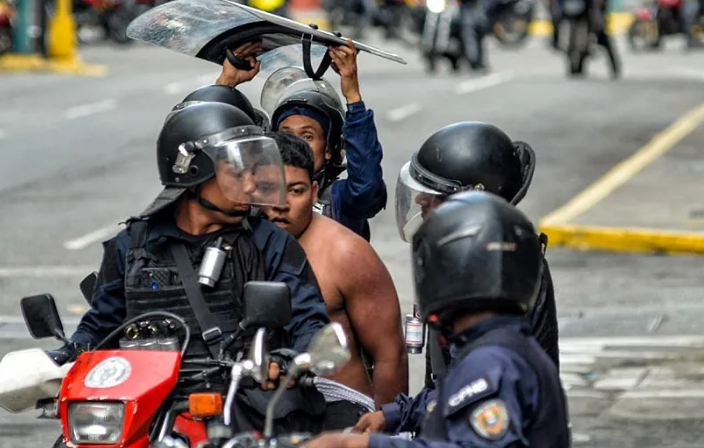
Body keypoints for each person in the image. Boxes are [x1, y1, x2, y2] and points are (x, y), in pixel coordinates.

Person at [48, 101, 331, 433]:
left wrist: (284, 361)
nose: (252, 185)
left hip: (241, 404)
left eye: (254, 172)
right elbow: (102, 322)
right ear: (195, 172)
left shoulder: (268, 243)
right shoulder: (133, 244)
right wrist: (69, 352)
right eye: (238, 172)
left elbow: (309, 320)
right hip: (146, 406)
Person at [303, 191, 571, 448]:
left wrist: (362, 444)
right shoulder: (501, 345)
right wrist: (396, 415)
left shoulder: (491, 362)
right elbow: (456, 399)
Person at [394, 121, 560, 389]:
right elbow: (444, 383)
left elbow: (479, 389)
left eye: (435, 194)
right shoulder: (458, 256)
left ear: (473, 200)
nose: (420, 200)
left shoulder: (498, 269)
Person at [261, 131, 409, 415]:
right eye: (270, 189)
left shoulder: (346, 253)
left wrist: (386, 431)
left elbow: (390, 354)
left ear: (314, 192)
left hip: (342, 416)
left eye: (296, 190)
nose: (281, 204)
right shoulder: (237, 246)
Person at [215, 41, 387, 242]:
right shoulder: (252, 194)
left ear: (329, 149)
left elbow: (366, 187)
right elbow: (207, 163)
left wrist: (353, 97)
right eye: (286, 133)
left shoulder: (338, 201)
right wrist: (226, 83)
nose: (295, 144)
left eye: (307, 136)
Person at [458, 0, 489, 71]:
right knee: (468, 33)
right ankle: (473, 59)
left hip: (477, 7)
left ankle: (477, 60)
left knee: (479, 33)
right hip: (465, 8)